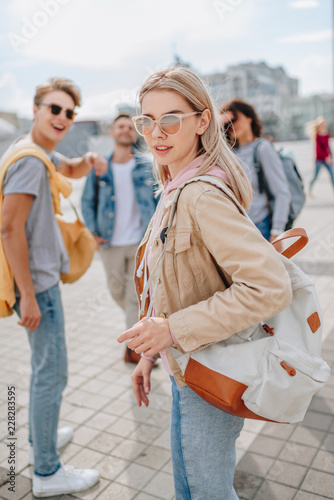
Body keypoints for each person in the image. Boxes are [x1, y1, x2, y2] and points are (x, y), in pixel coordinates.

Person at [117, 66, 292, 500]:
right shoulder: (177, 185)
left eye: (171, 118)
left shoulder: (200, 193)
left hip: (211, 373)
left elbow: (269, 287)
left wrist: (172, 331)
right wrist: (152, 354)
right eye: (147, 121)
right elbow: (174, 283)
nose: (157, 132)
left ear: (202, 121)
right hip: (187, 369)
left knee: (204, 493)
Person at [0, 77, 107, 497]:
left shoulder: (38, 153)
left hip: (40, 283)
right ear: (36, 110)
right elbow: (9, 230)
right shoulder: (29, 161)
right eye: (55, 109)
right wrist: (27, 294)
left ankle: (39, 436)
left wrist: (91, 159)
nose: (63, 117)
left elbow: (71, 167)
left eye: (69, 112)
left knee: (48, 370)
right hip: (39, 286)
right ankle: (46, 471)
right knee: (52, 373)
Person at [81, 113, 158, 364]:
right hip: (110, 242)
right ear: (112, 133)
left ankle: (136, 349)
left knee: (135, 297)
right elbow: (87, 202)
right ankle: (138, 341)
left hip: (141, 242)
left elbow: (159, 201)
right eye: (120, 127)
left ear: (134, 134)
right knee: (118, 294)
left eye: (130, 127)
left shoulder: (147, 165)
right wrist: (93, 232)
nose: (126, 131)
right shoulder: (101, 167)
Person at [220, 99, 291, 241]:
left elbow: (281, 192)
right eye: (228, 122)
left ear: (249, 117)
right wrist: (217, 123)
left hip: (260, 226)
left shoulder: (262, 148)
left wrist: (277, 232)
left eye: (235, 118)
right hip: (235, 228)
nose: (232, 125)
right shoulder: (229, 152)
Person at [307, 116, 334, 195]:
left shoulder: (326, 134)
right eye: (322, 124)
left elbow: (328, 147)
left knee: (332, 176)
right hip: (319, 159)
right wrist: (326, 157)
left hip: (327, 159)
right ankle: (310, 188)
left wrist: (331, 157)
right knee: (316, 176)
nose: (323, 125)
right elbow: (318, 150)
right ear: (319, 125)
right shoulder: (317, 135)